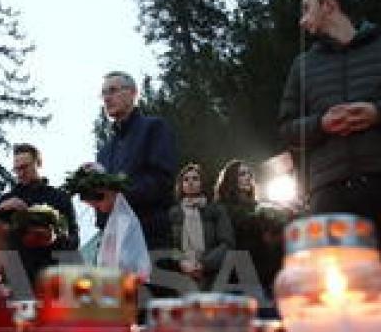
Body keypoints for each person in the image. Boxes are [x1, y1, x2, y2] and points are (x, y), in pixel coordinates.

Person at [279, 0, 381, 252]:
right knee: (348, 290)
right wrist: (321, 124)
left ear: (329, 5)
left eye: (307, 9)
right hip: (331, 196)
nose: (302, 20)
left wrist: (379, 113)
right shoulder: (303, 66)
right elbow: (287, 129)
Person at [97, 71, 177, 250]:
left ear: (133, 92)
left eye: (112, 91)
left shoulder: (154, 128)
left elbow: (162, 180)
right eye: (104, 94)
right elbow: (103, 204)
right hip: (115, 243)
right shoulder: (104, 151)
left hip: (150, 239)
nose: (107, 98)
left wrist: (118, 198)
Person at [0, 143, 79, 288]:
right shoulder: (5, 201)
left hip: (51, 276)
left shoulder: (59, 198)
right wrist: (0, 209)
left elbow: (74, 239)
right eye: (16, 169)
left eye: (25, 167)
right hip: (15, 277)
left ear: (38, 163)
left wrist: (55, 238)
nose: (20, 174)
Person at [214, 159, 289, 308]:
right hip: (238, 275)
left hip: (266, 275)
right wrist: (268, 215)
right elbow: (238, 228)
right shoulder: (221, 208)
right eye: (242, 174)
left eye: (249, 174)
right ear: (231, 179)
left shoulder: (260, 207)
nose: (248, 177)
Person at [64, 163, 151, 281]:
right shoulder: (107, 221)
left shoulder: (125, 220)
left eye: (96, 204)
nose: (95, 208)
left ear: (107, 192)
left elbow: (130, 261)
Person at [169, 163, 235, 291]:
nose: (190, 182)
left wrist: (203, 264)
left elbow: (227, 242)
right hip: (181, 275)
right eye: (186, 179)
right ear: (181, 185)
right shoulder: (173, 213)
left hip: (212, 274)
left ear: (202, 182)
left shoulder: (216, 210)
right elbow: (169, 244)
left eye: (195, 178)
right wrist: (181, 262)